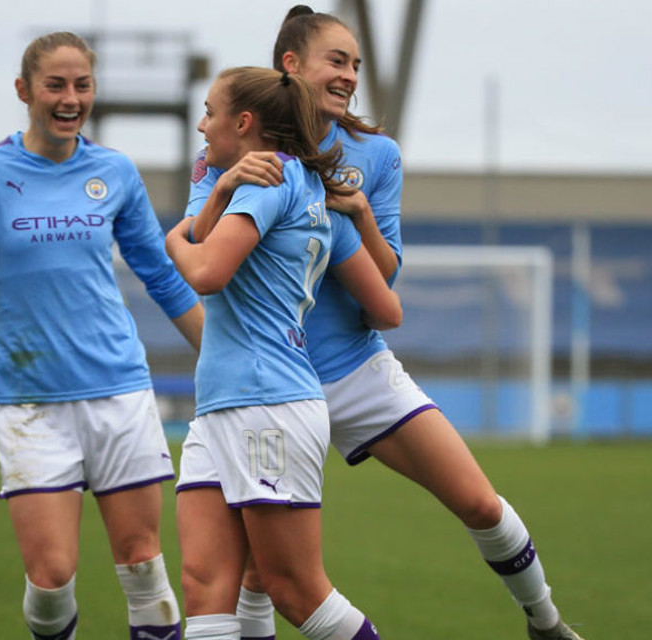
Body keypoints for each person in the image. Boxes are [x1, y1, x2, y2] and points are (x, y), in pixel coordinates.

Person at [187, 7, 587, 639]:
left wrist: (359, 216)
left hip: (347, 367)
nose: (349, 76)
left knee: (478, 501)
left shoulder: (373, 156)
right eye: (336, 61)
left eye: (355, 65)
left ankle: (546, 620)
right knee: (255, 577)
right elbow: (210, 254)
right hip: (268, 381)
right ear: (291, 65)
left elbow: (385, 290)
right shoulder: (242, 157)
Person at [0, 31, 203, 640]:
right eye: (55, 85)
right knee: (52, 577)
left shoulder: (113, 171)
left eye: (82, 85)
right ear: (24, 90)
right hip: (30, 400)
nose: (70, 98)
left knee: (143, 566)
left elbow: (162, 277)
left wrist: (217, 351)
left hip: (118, 389)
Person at [166, 66, 402, 640]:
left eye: (209, 112)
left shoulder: (269, 184)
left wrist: (171, 238)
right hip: (224, 405)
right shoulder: (299, 188)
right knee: (203, 587)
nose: (202, 125)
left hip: (266, 405)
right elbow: (388, 311)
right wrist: (220, 191)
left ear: (242, 123)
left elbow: (205, 270)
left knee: (296, 591)